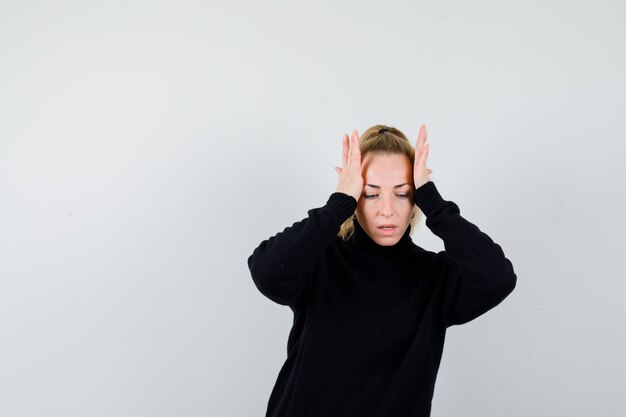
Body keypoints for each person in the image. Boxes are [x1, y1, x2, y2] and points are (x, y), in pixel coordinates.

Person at [247, 124, 517, 417]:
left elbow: (497, 278)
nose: (386, 210)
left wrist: (434, 204)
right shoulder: (319, 260)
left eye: (402, 194)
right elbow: (267, 271)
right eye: (370, 194)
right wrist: (338, 205)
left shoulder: (435, 277)